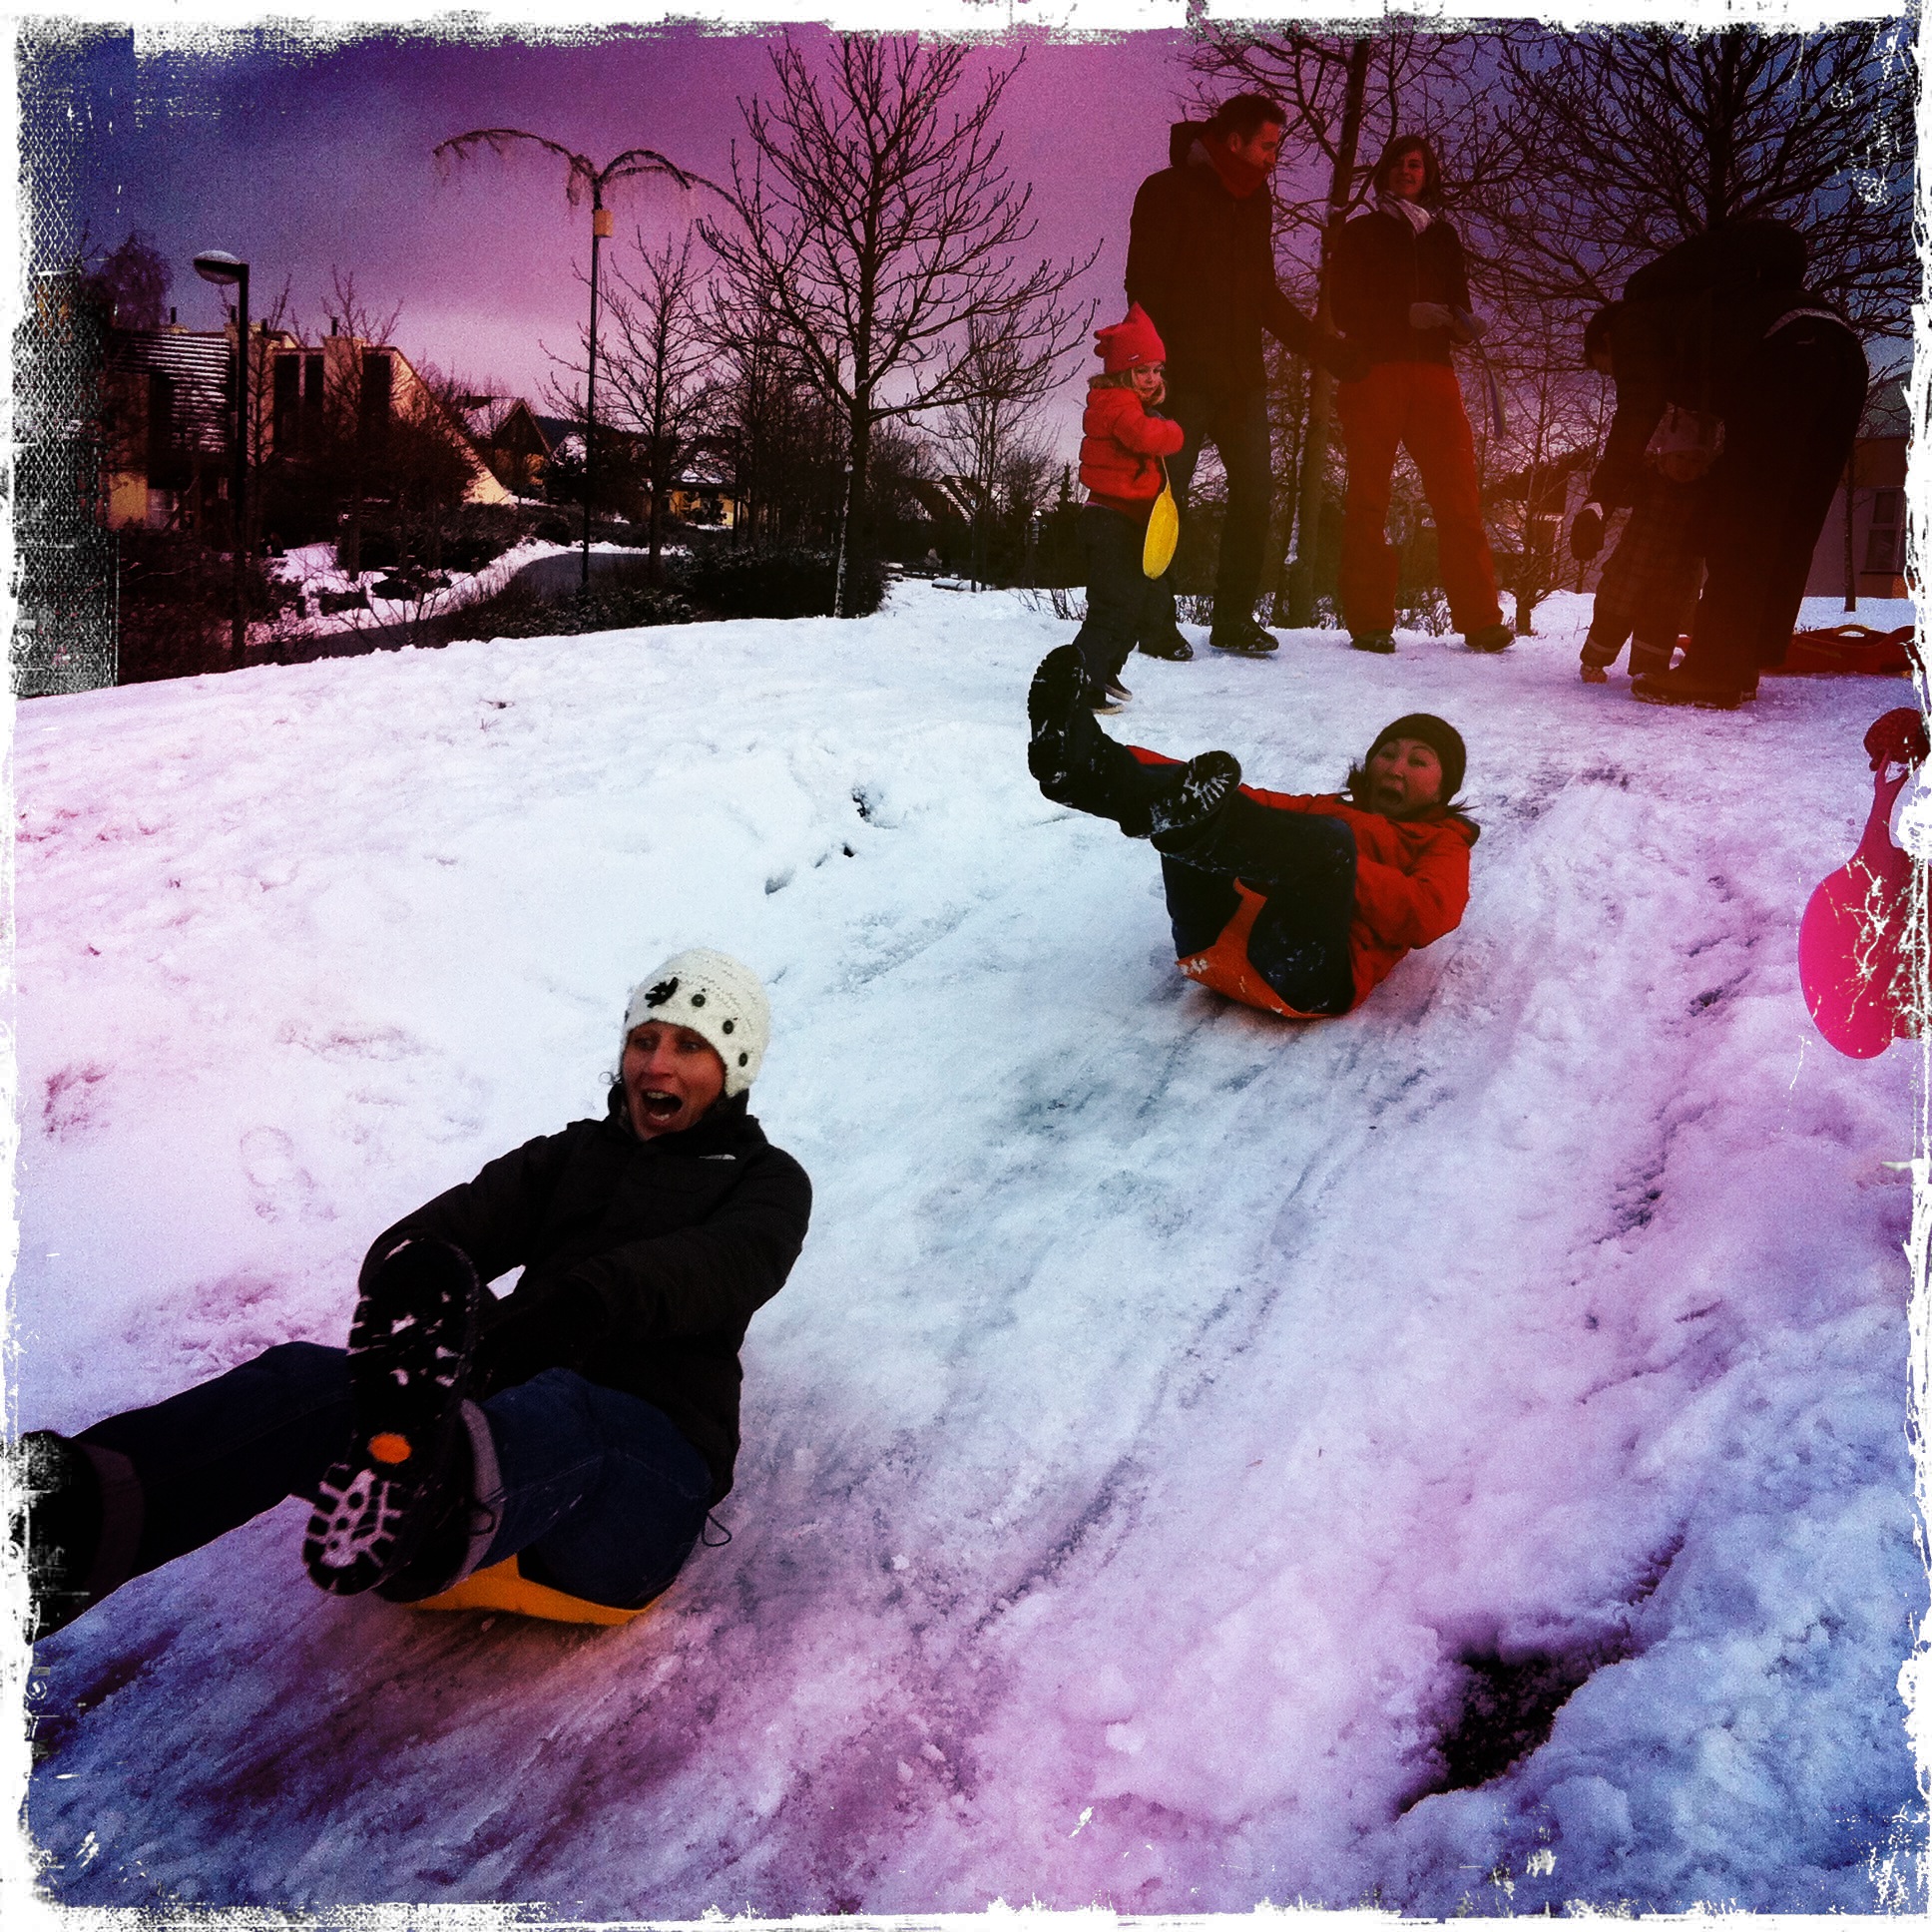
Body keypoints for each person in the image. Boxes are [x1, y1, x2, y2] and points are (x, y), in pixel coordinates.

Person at [14, 950, 813, 1641]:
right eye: (644, 1040)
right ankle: (49, 1522)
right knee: (303, 1383)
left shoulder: (767, 1184)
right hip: (492, 1459)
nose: (656, 1065)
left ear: (735, 1067)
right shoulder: (570, 1156)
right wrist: (419, 1280)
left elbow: (715, 1266)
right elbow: (442, 1235)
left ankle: (432, 1494)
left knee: (571, 1408)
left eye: (689, 1046)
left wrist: (564, 1311)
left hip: (633, 1499)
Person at [1025, 645, 1477, 1018]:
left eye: (1418, 761)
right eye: (1388, 754)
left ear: (1444, 788)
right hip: (1210, 939)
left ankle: (1193, 826)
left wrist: (1335, 867)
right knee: (1207, 799)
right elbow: (1249, 801)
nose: (1395, 768)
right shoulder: (1328, 807)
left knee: (1328, 841)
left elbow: (1428, 912)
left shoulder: (1443, 842)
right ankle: (1083, 765)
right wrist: (1123, 756)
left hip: (1307, 974)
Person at [1587, 220, 1869, 710]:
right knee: (1789, 518)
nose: (1615, 375)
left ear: (1606, 342)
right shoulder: (1709, 315)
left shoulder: (1633, 322)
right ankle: (1742, 662)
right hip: (1842, 353)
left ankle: (1715, 670)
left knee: (1740, 521)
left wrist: (1599, 499)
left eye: (1606, 368)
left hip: (1783, 354)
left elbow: (1638, 410)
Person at [1126, 92, 1366, 661]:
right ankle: (1153, 621)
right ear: (1234, 141)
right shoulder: (1165, 191)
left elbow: (1264, 296)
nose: (1274, 158)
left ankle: (1233, 619)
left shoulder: (1256, 200)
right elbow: (1142, 286)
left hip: (1241, 380)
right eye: (1268, 145)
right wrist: (1151, 369)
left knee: (1256, 493)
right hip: (1181, 377)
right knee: (1167, 498)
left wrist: (1327, 352)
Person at [1329, 134, 1512, 658]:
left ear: (1428, 175)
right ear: (1384, 172)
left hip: (1435, 376)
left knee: (1459, 497)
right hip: (1375, 373)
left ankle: (1481, 620)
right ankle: (1369, 622)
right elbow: (1344, 310)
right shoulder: (1360, 233)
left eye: (1416, 165)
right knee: (1369, 499)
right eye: (1399, 163)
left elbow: (1458, 302)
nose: (1407, 171)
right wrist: (1402, 316)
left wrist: (1463, 325)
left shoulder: (1443, 237)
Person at [1070, 304, 1187, 714]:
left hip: (1131, 522)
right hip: (1109, 520)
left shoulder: (1131, 404)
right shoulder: (1115, 404)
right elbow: (1145, 438)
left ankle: (1104, 669)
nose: (1152, 379)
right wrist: (1175, 430)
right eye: (1142, 371)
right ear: (1122, 372)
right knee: (1113, 606)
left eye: (1157, 370)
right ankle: (1081, 682)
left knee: (1138, 605)